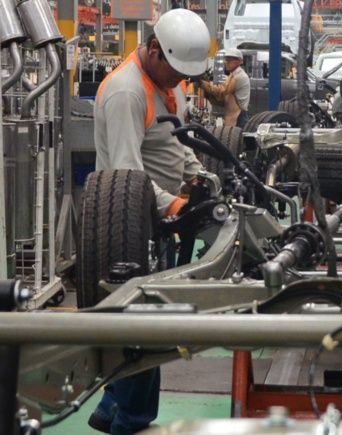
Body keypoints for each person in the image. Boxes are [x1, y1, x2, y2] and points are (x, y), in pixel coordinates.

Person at [89, 9, 210, 434]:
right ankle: (132, 423)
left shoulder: (166, 83)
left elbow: (174, 142)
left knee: (138, 320)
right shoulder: (127, 92)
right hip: (130, 227)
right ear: (155, 49)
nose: (180, 80)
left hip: (157, 223)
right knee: (147, 326)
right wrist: (175, 206)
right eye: (176, 71)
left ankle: (110, 409)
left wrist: (200, 175)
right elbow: (128, 174)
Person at [199, 48, 251, 127]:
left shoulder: (239, 77)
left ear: (239, 61)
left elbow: (221, 91)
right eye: (226, 60)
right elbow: (223, 100)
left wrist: (202, 83)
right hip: (234, 116)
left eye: (229, 60)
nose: (226, 62)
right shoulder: (233, 75)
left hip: (239, 117)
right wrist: (208, 95)